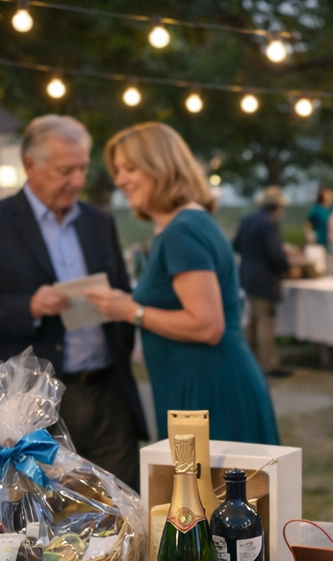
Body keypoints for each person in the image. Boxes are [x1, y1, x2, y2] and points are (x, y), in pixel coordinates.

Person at [0, 114, 146, 488]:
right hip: (32, 403)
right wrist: (29, 307)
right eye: (65, 170)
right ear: (30, 165)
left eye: (82, 168)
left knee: (121, 503)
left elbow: (122, 292)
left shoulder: (99, 221)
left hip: (108, 395)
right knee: (44, 510)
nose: (77, 181)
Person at [83, 122, 279, 446]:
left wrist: (130, 311)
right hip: (196, 384)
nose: (120, 181)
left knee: (210, 481)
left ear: (160, 166)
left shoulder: (181, 231)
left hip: (208, 389)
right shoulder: (185, 224)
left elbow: (206, 325)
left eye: (130, 168)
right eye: (118, 170)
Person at [232, 185, 292, 377]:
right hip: (264, 280)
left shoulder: (247, 220)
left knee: (249, 322)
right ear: (277, 207)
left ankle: (248, 361)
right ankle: (268, 363)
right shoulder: (269, 223)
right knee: (265, 322)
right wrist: (286, 268)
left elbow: (236, 245)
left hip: (246, 277)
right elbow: (275, 254)